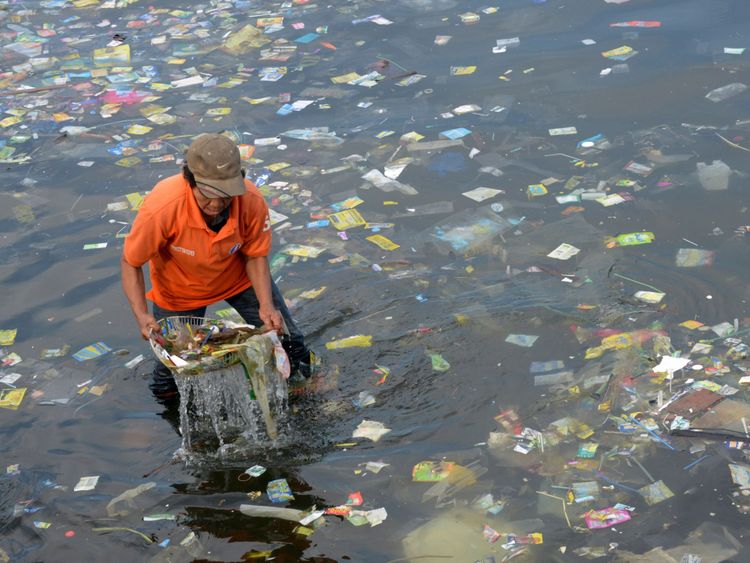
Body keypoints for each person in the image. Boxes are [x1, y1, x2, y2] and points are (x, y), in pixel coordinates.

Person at [121, 133, 314, 401]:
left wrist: (266, 306)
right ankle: (171, 413)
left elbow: (255, 256)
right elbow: (131, 262)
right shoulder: (162, 207)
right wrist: (141, 315)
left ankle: (304, 396)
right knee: (174, 369)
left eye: (225, 196)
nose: (215, 205)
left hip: (238, 278)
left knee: (290, 341)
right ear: (190, 181)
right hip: (180, 290)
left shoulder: (252, 201)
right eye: (207, 195)